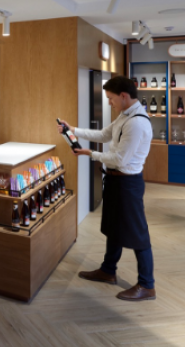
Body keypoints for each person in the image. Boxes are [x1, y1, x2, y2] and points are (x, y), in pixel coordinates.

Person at [57, 75, 155, 301]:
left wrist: (89, 153)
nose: (109, 102)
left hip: (128, 184)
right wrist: (73, 130)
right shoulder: (124, 115)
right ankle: (108, 270)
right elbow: (103, 135)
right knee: (113, 227)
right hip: (115, 181)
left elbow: (120, 159)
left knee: (138, 233)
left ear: (123, 96)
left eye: (111, 98)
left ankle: (147, 285)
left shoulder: (137, 123)